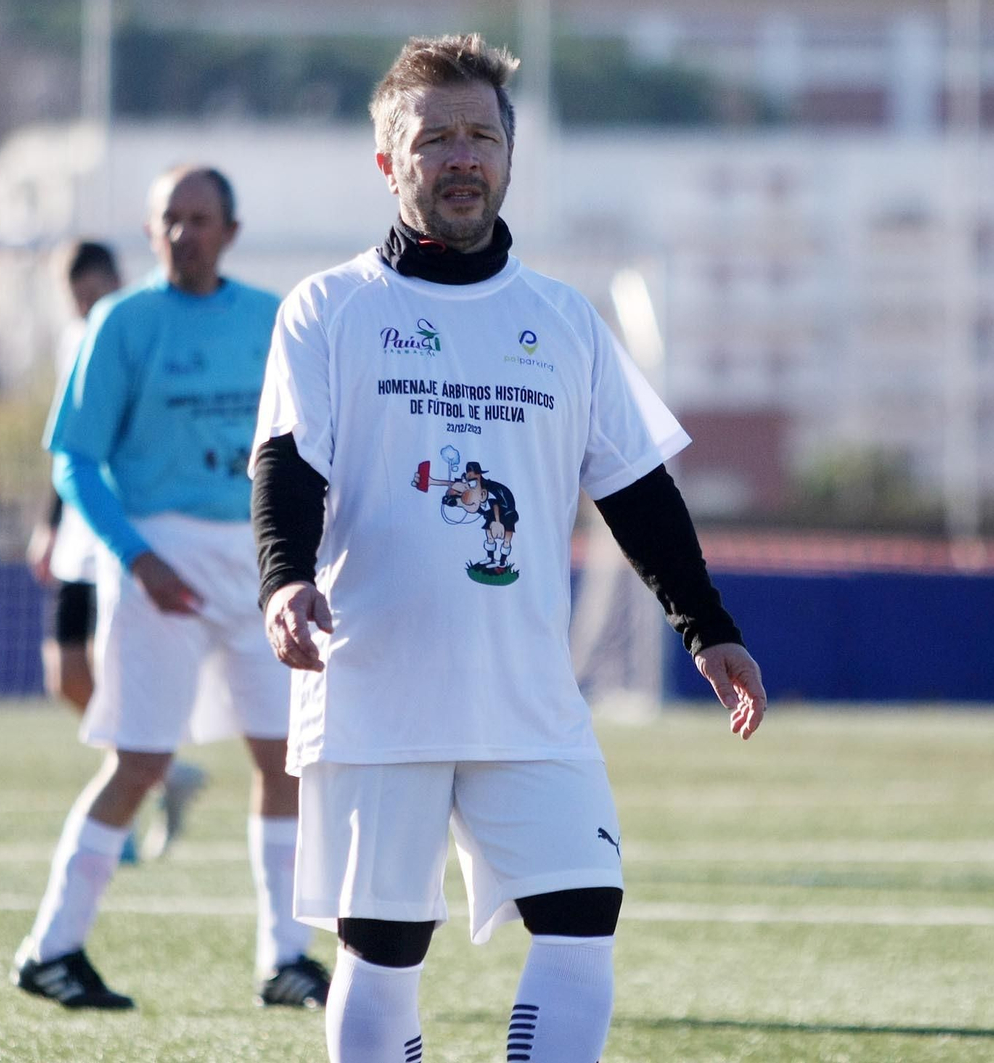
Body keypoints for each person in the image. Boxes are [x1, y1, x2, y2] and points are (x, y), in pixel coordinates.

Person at [250, 34, 766, 1063]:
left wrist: (706, 626)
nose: (461, 156)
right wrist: (285, 583)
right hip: (375, 689)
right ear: (389, 161)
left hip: (527, 693)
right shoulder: (330, 307)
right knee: (384, 950)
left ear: (509, 156)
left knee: (582, 923)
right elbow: (288, 465)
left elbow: (636, 489)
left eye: (480, 134)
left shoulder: (562, 320)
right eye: (433, 137)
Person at [12, 167, 329, 1011]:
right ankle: (51, 948)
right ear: (150, 233)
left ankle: (285, 960)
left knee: (284, 756)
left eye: (201, 217)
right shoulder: (121, 322)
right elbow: (74, 458)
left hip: (260, 562)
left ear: (231, 228)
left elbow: (313, 440)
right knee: (142, 761)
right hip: (160, 559)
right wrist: (138, 556)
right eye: (170, 219)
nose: (185, 231)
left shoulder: (272, 317)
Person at [24, 240, 205, 863]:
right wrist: (49, 524)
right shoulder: (75, 338)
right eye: (77, 293)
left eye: (95, 287)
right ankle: (162, 772)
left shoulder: (132, 331)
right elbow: (72, 449)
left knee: (118, 677)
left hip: (123, 537)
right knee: (67, 675)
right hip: (80, 530)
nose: (87, 301)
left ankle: (126, 805)